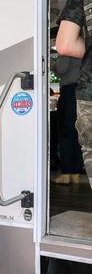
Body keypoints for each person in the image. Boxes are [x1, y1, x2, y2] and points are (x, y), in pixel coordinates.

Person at [56, 0, 92, 188]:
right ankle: (73, 171)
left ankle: (71, 173)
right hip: (77, 87)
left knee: (68, 132)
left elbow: (63, 49)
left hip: (76, 90)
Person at [51, 55, 83, 184]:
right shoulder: (84, 46)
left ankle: (67, 173)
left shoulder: (67, 50)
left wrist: (50, 61)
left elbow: (61, 68)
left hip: (70, 91)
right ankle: (75, 172)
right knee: (77, 133)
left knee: (65, 132)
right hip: (82, 91)